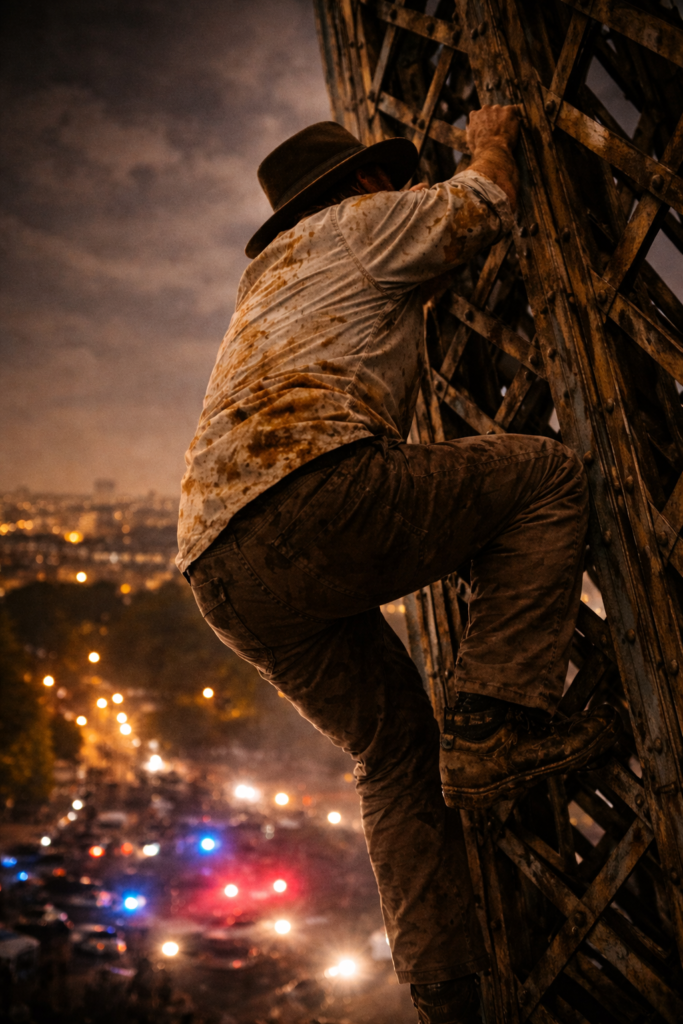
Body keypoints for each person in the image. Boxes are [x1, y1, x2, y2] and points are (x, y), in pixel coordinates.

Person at [176, 107, 621, 1024]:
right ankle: (496, 722)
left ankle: (441, 987)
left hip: (219, 570)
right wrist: (490, 139)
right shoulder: (357, 225)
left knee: (393, 753)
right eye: (391, 179)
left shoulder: (265, 282)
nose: (401, 190)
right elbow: (479, 204)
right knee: (543, 475)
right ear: (364, 186)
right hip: (317, 496)